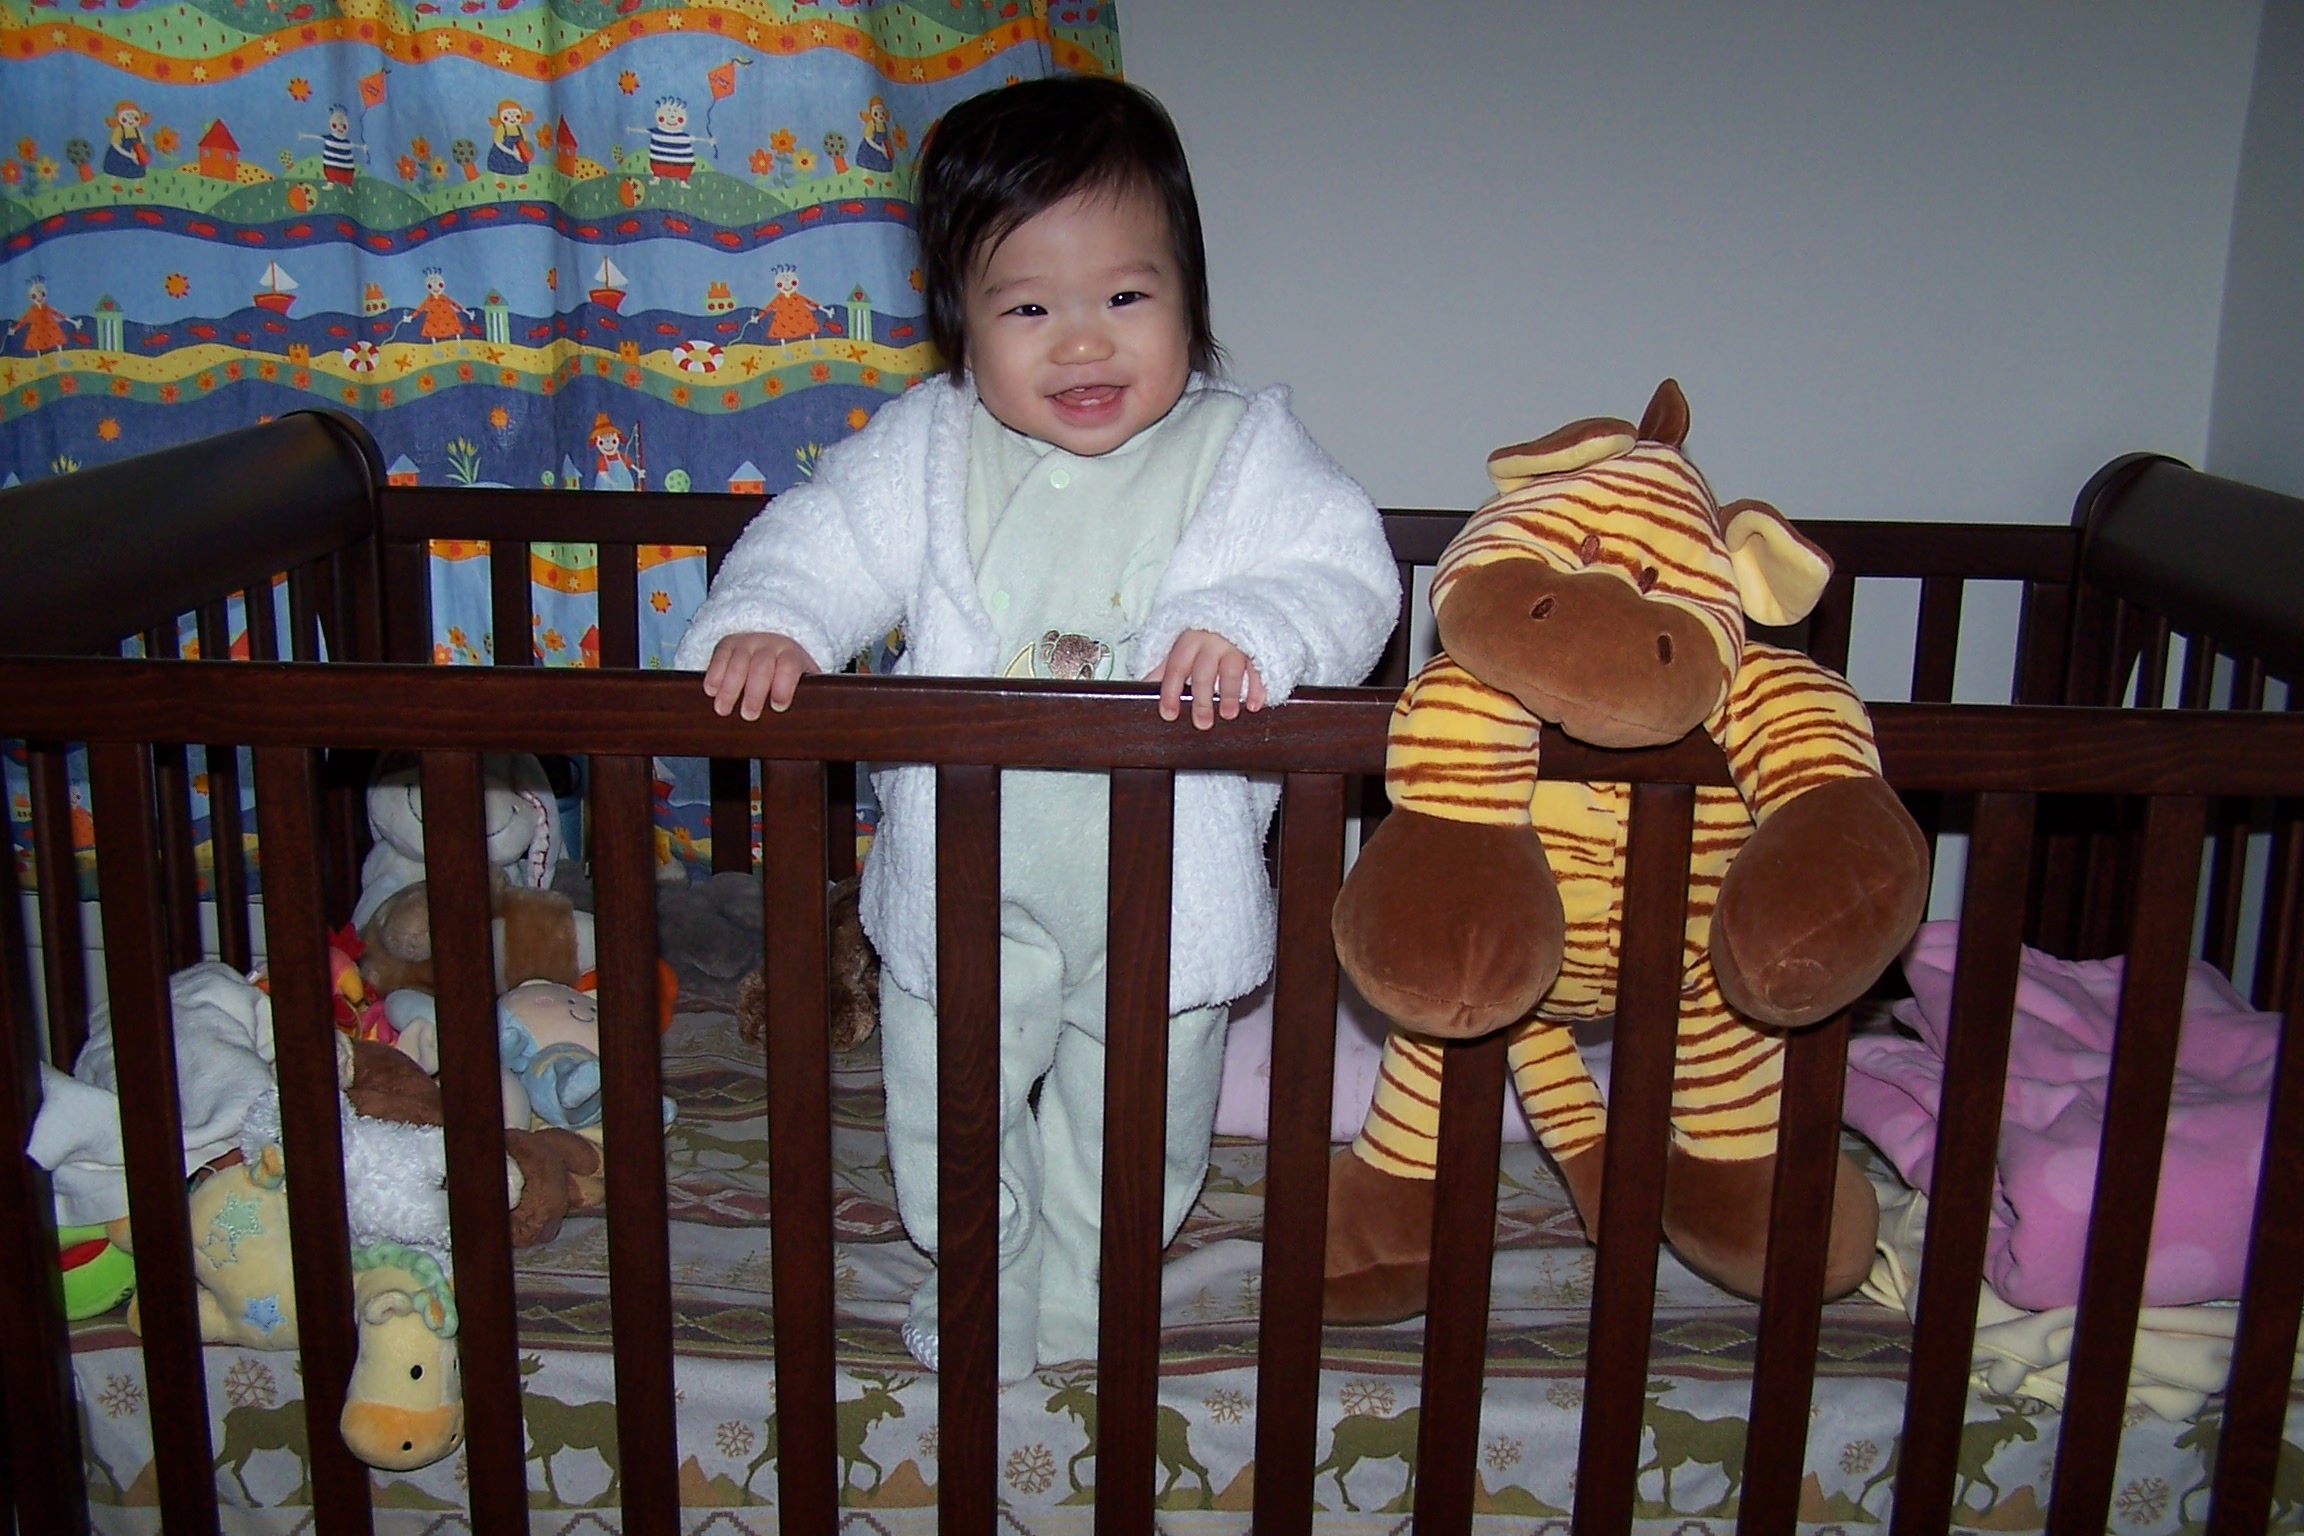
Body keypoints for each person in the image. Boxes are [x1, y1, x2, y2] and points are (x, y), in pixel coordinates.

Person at [673, 75, 1398, 1382]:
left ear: (1191, 300)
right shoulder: (930, 448)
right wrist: (774, 620)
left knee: (1137, 1127)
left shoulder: (1243, 452)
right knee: (952, 1109)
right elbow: (819, 540)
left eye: (1124, 297)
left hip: (1163, 895)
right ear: (961, 326)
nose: (1081, 345)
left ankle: (1084, 1300)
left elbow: (1345, 573)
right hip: (964, 883)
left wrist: (1251, 625)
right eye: (1026, 308)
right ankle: (979, 1280)